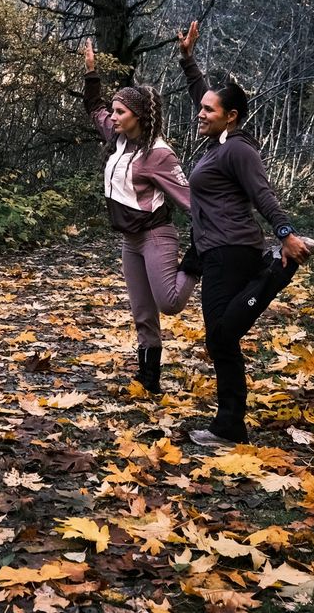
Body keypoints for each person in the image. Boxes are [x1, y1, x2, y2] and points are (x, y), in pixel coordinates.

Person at [177, 20, 314, 448]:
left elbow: (263, 194)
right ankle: (229, 424)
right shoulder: (219, 142)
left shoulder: (238, 149)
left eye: (208, 110)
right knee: (222, 338)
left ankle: (276, 272)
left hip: (232, 250)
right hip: (217, 251)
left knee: (222, 336)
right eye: (201, 108)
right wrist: (188, 61)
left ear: (231, 116)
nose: (199, 113)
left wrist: (286, 234)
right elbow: (202, 95)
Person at [79, 39, 198, 394]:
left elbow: (192, 199)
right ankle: (148, 382)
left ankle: (195, 264)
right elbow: (93, 108)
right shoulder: (116, 138)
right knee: (143, 313)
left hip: (156, 236)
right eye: (113, 112)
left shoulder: (160, 154)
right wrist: (91, 72)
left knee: (170, 303)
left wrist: (208, 235)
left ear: (139, 116)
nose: (112, 118)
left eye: (120, 113)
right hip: (130, 241)